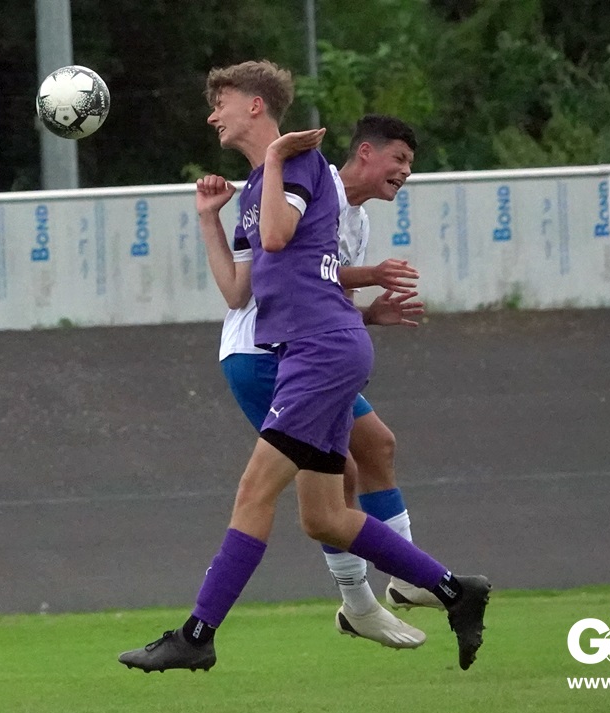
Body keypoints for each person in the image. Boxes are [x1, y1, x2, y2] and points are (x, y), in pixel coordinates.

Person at [118, 59, 490, 674]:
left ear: (255, 106)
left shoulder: (296, 163)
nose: (212, 116)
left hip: (320, 352)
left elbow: (277, 237)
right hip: (312, 350)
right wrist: (208, 219)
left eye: (221, 103)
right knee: (325, 515)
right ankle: (455, 591)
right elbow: (238, 290)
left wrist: (273, 161)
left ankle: (197, 634)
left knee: (256, 492)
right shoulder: (259, 185)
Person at [205, 114, 444, 650]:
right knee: (329, 481)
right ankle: (368, 598)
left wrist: (368, 314)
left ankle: (396, 583)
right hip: (268, 351)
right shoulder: (310, 180)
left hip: (309, 348)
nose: (406, 172)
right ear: (366, 152)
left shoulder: (358, 220)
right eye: (400, 159)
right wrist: (370, 276)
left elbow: (325, 295)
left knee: (375, 447)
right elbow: (284, 265)